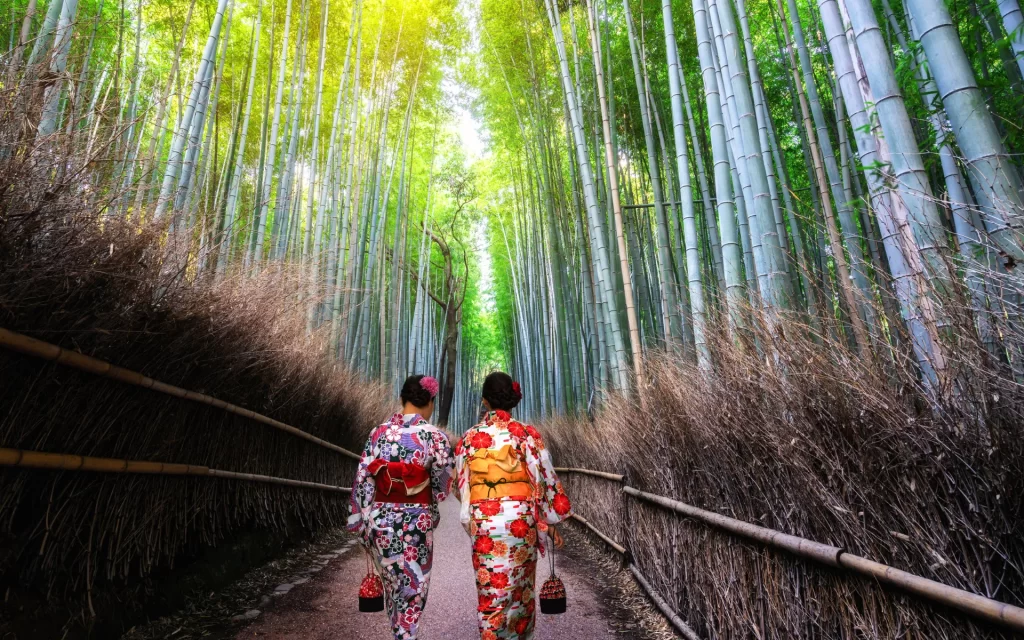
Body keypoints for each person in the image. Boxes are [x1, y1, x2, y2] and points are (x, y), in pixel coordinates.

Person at [455, 372, 572, 640]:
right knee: (521, 589)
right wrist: (548, 522)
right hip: (520, 519)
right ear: (512, 399)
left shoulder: (470, 437)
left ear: (485, 401)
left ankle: (492, 633)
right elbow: (543, 478)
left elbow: (460, 484)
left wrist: (473, 513)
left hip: (485, 519)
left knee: (490, 590)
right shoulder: (527, 433)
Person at [347, 374, 454, 640]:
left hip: (381, 520)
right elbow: (443, 485)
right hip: (417, 522)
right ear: (430, 402)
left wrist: (361, 522)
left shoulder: (378, 433)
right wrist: (427, 498)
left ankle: (400, 632)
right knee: (414, 588)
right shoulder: (435, 436)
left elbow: (363, 481)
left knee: (394, 586)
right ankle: (406, 635)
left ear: (402, 398)